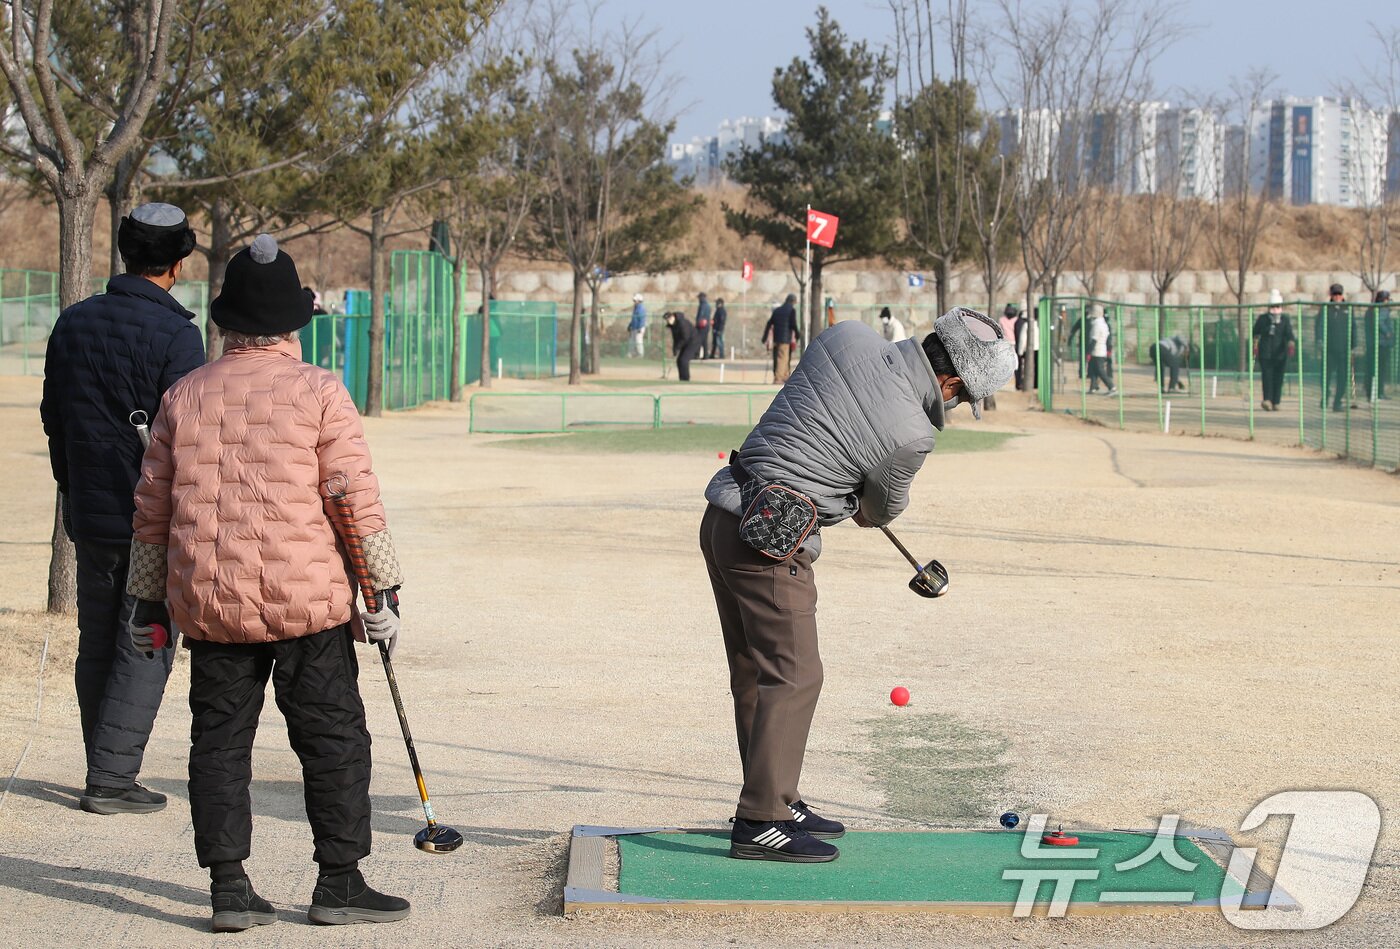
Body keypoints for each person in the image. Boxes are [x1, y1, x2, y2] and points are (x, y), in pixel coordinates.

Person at [127, 235, 410, 931]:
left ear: (226, 322)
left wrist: (145, 602)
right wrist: (382, 590)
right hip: (307, 601)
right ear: (293, 324)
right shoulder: (320, 391)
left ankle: (229, 886)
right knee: (333, 737)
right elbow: (352, 498)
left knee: (219, 742)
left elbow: (152, 510)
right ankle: (339, 881)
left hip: (211, 602)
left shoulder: (183, 395)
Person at [700, 308, 1016, 863]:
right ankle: (761, 821)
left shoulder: (847, 334)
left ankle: (776, 796)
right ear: (950, 383)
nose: (955, 405)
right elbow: (877, 511)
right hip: (771, 542)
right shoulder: (914, 436)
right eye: (963, 397)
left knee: (755, 671)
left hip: (725, 515)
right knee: (796, 675)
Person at [39, 202, 202, 816]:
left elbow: (54, 417)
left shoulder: (72, 322)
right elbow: (189, 437)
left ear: (124, 253)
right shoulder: (177, 335)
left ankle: (101, 765)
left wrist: (71, 486)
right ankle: (111, 778)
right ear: (178, 263)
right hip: (150, 522)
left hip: (88, 510)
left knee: (98, 640)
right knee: (148, 639)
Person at [1253, 289, 1296, 411]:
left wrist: (1291, 343)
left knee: (1278, 378)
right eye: (1273, 306)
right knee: (1267, 377)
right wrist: (1255, 345)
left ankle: (1276, 401)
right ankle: (1267, 400)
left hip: (1280, 354)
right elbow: (1255, 332)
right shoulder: (1263, 319)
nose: (1275, 309)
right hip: (1265, 354)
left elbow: (1289, 334)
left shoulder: (1285, 320)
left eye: (1277, 306)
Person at [1316, 283, 1353, 412]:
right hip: (1329, 349)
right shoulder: (1326, 309)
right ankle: (1325, 395)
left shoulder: (1347, 308)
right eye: (1335, 294)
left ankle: (1338, 402)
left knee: (1342, 377)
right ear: (1331, 295)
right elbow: (1320, 325)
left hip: (1343, 349)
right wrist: (1320, 340)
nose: (1337, 297)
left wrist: (1353, 345)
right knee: (1325, 376)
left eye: (1339, 294)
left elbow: (1353, 327)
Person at [763, 294, 801, 383]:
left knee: (781, 358)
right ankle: (778, 378)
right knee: (782, 358)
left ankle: (785, 376)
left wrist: (764, 337)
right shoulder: (791, 310)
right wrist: (797, 334)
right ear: (793, 301)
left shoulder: (777, 310)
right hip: (785, 338)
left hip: (776, 338)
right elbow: (793, 324)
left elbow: (769, 323)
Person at [1363, 289, 1393, 401]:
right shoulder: (1382, 309)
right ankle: (1378, 393)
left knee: (1373, 369)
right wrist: (1387, 332)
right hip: (1381, 343)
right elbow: (1380, 321)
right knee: (1381, 369)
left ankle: (1372, 393)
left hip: (1373, 343)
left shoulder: (1371, 310)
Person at [1086, 304, 1116, 395]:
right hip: (1099, 350)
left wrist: (1088, 352)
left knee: (1100, 370)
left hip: (1097, 351)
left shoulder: (1097, 325)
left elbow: (1094, 340)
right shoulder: (1103, 323)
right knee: (1093, 369)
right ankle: (1093, 387)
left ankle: (1111, 386)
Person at [665, 310, 702, 381]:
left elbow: (685, 337)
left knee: (684, 360)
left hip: (693, 342)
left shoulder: (682, 323)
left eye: (669, 319)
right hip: (685, 343)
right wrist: (675, 349)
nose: (668, 321)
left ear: (673, 317)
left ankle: (686, 379)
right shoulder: (673, 326)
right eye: (667, 320)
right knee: (679, 361)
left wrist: (678, 347)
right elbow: (675, 338)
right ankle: (682, 378)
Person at [1015, 306, 1039, 391]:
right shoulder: (1039, 325)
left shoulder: (1026, 324)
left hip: (1028, 350)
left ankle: (1026, 383)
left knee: (1026, 367)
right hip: (1037, 349)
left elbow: (1022, 339)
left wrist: (1020, 351)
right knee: (1036, 367)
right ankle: (1036, 383)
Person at [999, 303, 1020, 378]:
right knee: (1015, 356)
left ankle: (1007, 372)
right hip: (1014, 341)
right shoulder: (1016, 319)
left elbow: (1000, 331)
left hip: (1006, 341)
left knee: (1006, 357)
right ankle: (1014, 371)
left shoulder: (1002, 320)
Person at [628, 293, 647, 358]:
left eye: (635, 300)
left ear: (639, 301)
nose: (634, 302)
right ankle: (631, 353)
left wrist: (640, 328)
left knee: (638, 341)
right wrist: (630, 325)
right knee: (632, 341)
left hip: (639, 328)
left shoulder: (641, 308)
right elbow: (633, 318)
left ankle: (640, 354)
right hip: (634, 327)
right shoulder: (635, 308)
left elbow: (642, 319)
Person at [695, 292, 712, 360]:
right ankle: (705, 355)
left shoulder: (702, 305)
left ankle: (697, 354)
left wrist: (697, 323)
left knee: (698, 340)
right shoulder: (708, 305)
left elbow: (700, 315)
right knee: (704, 341)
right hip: (706, 326)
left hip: (702, 326)